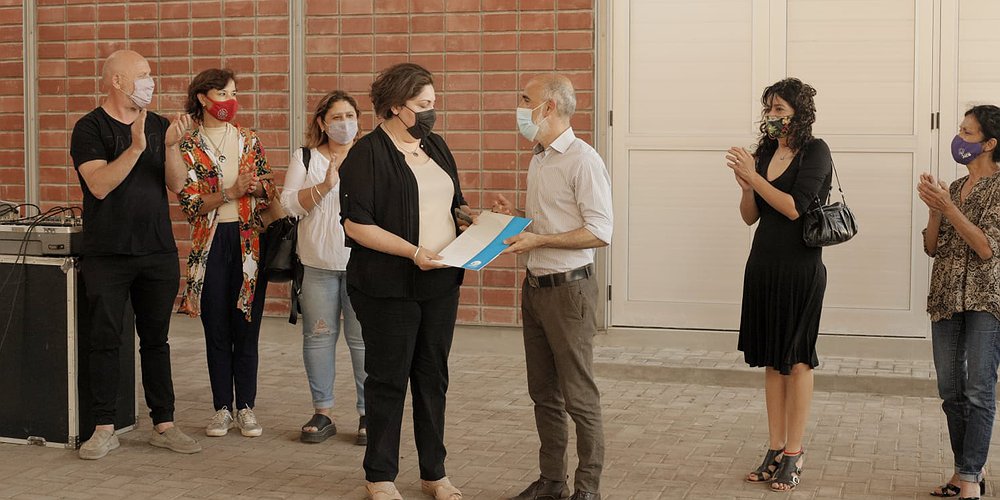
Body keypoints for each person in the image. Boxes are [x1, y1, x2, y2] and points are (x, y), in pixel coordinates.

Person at [339, 62, 472, 500]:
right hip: (387, 287)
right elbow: (356, 226)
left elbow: (454, 204)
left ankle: (435, 474)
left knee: (433, 378)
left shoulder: (436, 146)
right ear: (396, 107)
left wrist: (475, 222)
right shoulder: (367, 154)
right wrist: (414, 252)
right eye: (423, 105)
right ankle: (379, 476)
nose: (432, 113)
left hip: (440, 283)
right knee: (389, 379)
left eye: (434, 104)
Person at [70, 49, 201, 459]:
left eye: (150, 74)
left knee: (156, 339)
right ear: (117, 82)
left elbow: (178, 186)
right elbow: (99, 185)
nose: (150, 81)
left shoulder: (161, 125)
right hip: (108, 253)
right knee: (105, 339)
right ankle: (104, 427)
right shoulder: (89, 128)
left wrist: (172, 146)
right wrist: (136, 147)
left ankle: (164, 423)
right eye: (142, 75)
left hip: (156, 250)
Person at [494, 74, 613, 500]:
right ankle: (552, 482)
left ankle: (587, 489)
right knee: (543, 394)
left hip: (569, 293)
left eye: (525, 99)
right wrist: (516, 218)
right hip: (536, 288)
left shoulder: (583, 160)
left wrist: (540, 239)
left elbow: (600, 230)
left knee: (579, 396)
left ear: (549, 107)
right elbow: (552, 220)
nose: (519, 106)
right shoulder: (540, 157)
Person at [725, 78, 832, 492]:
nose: (772, 117)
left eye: (780, 110)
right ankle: (774, 448)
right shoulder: (765, 152)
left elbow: (793, 207)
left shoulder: (815, 151)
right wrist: (746, 185)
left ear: (799, 113)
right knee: (772, 360)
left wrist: (756, 178)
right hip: (763, 264)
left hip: (801, 267)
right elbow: (750, 216)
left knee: (798, 359)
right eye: (768, 109)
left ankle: (795, 451)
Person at [173, 68, 275, 439]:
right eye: (223, 93)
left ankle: (246, 406)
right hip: (210, 243)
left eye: (233, 93)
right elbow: (190, 203)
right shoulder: (186, 146)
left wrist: (257, 186)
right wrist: (231, 192)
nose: (230, 101)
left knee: (246, 325)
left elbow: (270, 186)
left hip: (249, 243)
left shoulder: (248, 139)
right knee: (215, 326)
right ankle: (221, 408)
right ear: (203, 98)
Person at [920, 105, 1000, 500]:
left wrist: (948, 208)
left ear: (989, 143)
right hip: (946, 297)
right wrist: (937, 209)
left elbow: (986, 248)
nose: (959, 138)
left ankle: (969, 476)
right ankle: (965, 470)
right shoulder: (953, 188)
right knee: (950, 390)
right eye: (960, 130)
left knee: (979, 390)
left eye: (967, 133)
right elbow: (932, 247)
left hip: (986, 299)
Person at [280, 90, 367, 446]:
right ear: (322, 122)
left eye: (350, 116)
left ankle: (368, 414)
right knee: (318, 338)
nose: (344, 123)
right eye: (336, 117)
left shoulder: (369, 156)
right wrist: (325, 186)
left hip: (362, 265)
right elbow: (287, 206)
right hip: (316, 265)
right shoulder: (306, 158)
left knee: (363, 341)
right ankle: (323, 411)